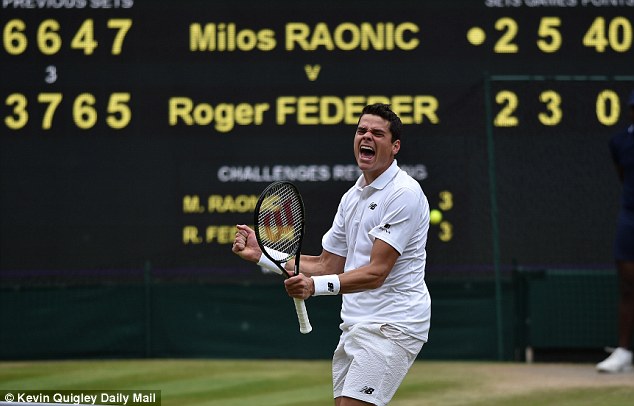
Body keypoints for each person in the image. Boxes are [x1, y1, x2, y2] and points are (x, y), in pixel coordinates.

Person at [232, 103, 431, 405]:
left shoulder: (404, 193)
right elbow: (326, 264)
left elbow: (377, 273)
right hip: (355, 324)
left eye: (378, 133)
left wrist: (314, 288)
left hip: (393, 325)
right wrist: (263, 254)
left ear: (395, 147)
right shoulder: (352, 198)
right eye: (361, 130)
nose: (367, 137)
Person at [597, 90, 634, 373]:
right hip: (630, 217)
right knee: (627, 284)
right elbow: (623, 176)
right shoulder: (619, 142)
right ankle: (623, 352)